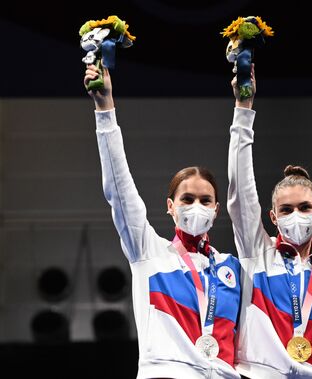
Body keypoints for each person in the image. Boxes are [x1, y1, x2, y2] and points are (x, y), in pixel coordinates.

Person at [84, 63, 242, 379]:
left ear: (216, 210)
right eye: (187, 199)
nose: (196, 206)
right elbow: (119, 189)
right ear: (170, 207)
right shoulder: (149, 253)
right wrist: (105, 110)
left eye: (205, 200)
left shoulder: (233, 269)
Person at [226, 65, 312, 378]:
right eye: (286, 209)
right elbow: (240, 195)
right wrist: (243, 108)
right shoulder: (258, 254)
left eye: (304, 207)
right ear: (272, 217)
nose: (296, 215)